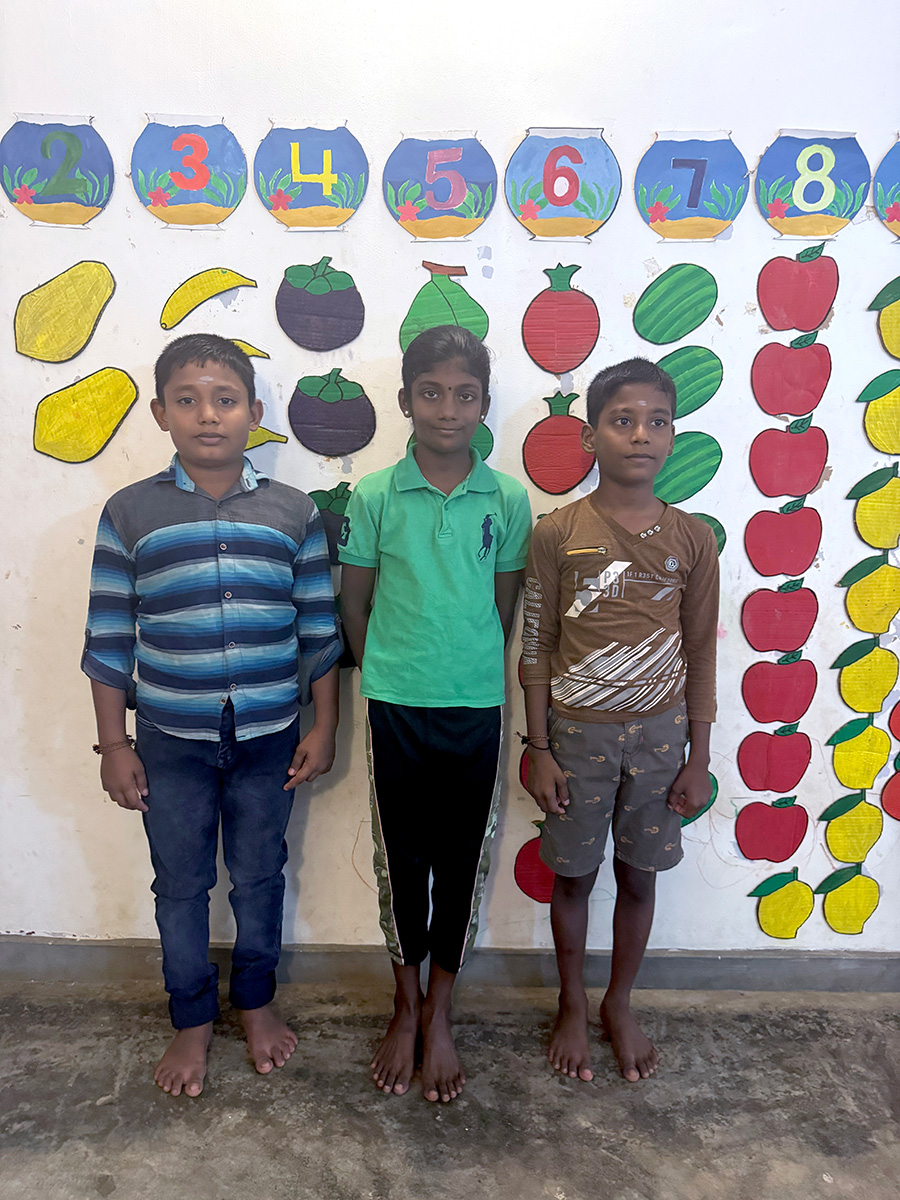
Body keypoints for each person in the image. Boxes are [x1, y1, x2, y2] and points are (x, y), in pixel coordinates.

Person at [82, 333, 341, 1098]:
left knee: (261, 877)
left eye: (225, 400)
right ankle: (191, 1020)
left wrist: (322, 727)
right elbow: (106, 637)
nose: (207, 416)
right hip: (169, 740)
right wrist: (111, 744)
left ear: (254, 413)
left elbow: (320, 632)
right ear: (161, 412)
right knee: (182, 884)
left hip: (271, 738)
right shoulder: (130, 512)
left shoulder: (294, 512)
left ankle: (255, 1004)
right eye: (188, 401)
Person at [339, 325, 531, 1103]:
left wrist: (463, 666)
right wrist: (387, 668)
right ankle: (404, 1003)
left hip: (475, 709)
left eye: (464, 395)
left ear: (484, 405)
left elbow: (504, 605)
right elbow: (354, 604)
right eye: (431, 392)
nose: (447, 409)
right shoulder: (374, 495)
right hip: (395, 705)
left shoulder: (508, 498)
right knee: (401, 863)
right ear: (406, 401)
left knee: (462, 865)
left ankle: (442, 1010)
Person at [521, 357, 718, 1084]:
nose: (641, 434)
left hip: (663, 741)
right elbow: (537, 645)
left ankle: (619, 1003)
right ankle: (572, 1002)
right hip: (577, 741)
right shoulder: (559, 533)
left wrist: (698, 758)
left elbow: (700, 651)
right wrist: (538, 749)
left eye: (657, 421)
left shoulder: (693, 541)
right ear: (590, 436)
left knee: (640, 878)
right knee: (572, 878)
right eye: (622, 419)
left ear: (672, 436)